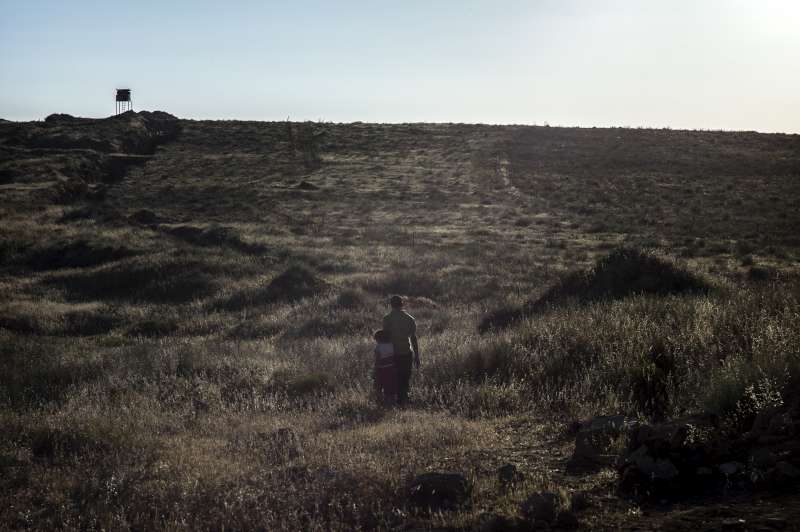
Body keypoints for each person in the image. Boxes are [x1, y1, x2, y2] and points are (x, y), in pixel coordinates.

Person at [382, 295, 419, 405]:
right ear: (402, 304)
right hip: (406, 353)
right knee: (405, 378)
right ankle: (404, 401)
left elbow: (385, 338)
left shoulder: (387, 319)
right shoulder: (410, 318)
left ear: (390, 305)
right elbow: (413, 338)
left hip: (392, 353)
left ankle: (395, 402)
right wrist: (417, 356)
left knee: (394, 378)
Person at [372, 329, 397, 405]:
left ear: (378, 339)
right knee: (390, 385)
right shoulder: (392, 345)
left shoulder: (378, 348)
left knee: (379, 385)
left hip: (382, 369)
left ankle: (381, 401)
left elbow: (377, 360)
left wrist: (375, 371)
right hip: (392, 368)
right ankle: (392, 401)